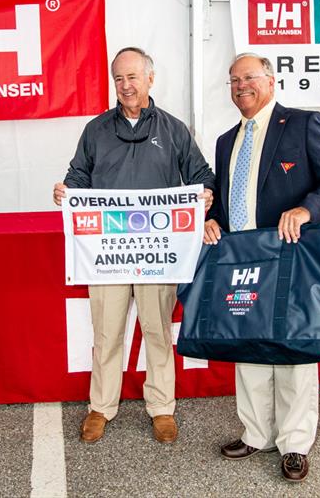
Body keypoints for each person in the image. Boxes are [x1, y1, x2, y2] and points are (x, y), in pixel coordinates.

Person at [204, 53, 320, 482]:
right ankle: (255, 433)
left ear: (270, 81)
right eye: (233, 80)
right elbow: (225, 191)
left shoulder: (304, 123)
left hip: (290, 258)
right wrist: (212, 217)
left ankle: (294, 443)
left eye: (249, 77)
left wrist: (307, 210)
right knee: (247, 349)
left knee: (292, 352)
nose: (240, 86)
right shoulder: (225, 140)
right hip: (242, 259)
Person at [53, 47, 215, 444]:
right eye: (119, 79)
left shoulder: (175, 130)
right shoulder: (95, 130)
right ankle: (101, 407)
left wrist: (206, 196)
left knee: (157, 330)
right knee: (107, 335)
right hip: (107, 255)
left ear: (150, 79)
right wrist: (67, 191)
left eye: (133, 77)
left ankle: (162, 407)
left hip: (157, 254)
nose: (125, 86)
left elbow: (201, 175)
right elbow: (79, 175)